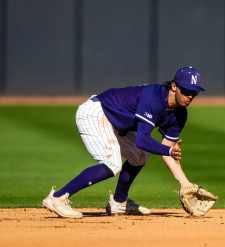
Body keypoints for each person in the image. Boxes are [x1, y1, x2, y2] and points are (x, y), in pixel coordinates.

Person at [42, 66, 205, 219]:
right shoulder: (153, 98)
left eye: (195, 92)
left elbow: (168, 152)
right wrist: (168, 150)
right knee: (112, 165)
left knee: (141, 156)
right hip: (96, 112)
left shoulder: (180, 115)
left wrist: (185, 183)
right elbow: (142, 139)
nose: (190, 96)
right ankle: (57, 198)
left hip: (114, 122)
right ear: (175, 86)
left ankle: (119, 203)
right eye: (186, 90)